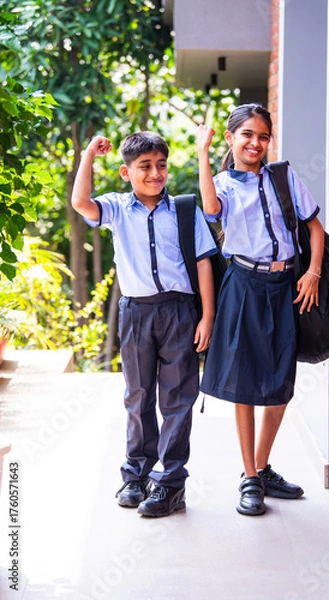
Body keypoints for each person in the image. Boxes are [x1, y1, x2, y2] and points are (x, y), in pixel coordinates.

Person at [71, 131, 217, 517]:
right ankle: (136, 474)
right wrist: (88, 154)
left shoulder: (185, 210)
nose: (156, 173)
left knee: (178, 398)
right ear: (126, 172)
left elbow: (203, 263)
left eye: (161, 165)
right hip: (135, 313)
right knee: (137, 396)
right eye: (145, 166)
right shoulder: (117, 209)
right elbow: (80, 202)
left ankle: (170, 483)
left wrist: (207, 316)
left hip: (179, 312)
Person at [197, 104, 324, 516]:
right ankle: (249, 476)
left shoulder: (283, 177)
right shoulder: (223, 185)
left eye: (263, 136)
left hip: (286, 285)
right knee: (246, 384)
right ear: (232, 138)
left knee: (280, 382)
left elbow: (314, 228)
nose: (256, 143)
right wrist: (202, 153)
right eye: (247, 134)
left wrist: (313, 273)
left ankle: (262, 465)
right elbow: (212, 211)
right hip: (245, 286)